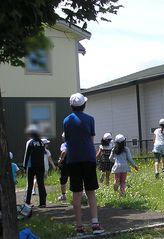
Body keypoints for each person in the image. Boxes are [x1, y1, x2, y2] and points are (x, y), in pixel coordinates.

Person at [63, 93, 104, 236]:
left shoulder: (66, 120)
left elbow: (67, 140)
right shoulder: (90, 119)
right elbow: (91, 138)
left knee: (77, 193)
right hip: (88, 157)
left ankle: (79, 227)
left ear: (71, 106)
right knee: (91, 191)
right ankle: (95, 224)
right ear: (84, 105)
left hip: (73, 159)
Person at [23, 124, 47, 207]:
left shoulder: (31, 143)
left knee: (30, 185)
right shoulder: (41, 143)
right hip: (41, 166)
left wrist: (24, 166)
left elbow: (27, 155)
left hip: (32, 166)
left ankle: (27, 202)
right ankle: (43, 203)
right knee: (41, 184)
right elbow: (44, 153)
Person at [57, 133, 69, 202]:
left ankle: (63, 195)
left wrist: (60, 160)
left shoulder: (64, 144)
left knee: (63, 180)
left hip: (65, 164)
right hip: (74, 163)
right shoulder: (74, 143)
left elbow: (64, 151)